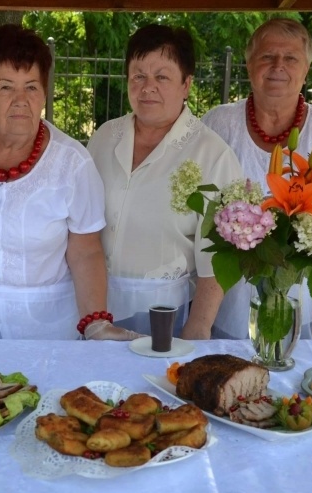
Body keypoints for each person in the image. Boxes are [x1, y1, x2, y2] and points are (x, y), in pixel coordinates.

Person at [0, 24, 138, 341]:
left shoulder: (72, 162)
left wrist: (96, 322)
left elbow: (86, 252)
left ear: (44, 94)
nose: (21, 100)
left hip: (45, 331)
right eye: (6, 87)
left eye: (31, 87)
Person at [202, 18, 312, 340]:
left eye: (291, 58)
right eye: (267, 56)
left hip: (302, 310)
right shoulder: (217, 124)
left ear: (305, 70)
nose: (278, 65)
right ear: (249, 65)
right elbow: (194, 217)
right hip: (226, 305)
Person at [87, 24, 243, 340]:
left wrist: (198, 327)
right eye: (138, 75)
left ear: (186, 84)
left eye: (162, 77)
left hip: (165, 313)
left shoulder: (211, 154)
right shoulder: (104, 138)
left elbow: (220, 256)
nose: (148, 87)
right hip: (95, 307)